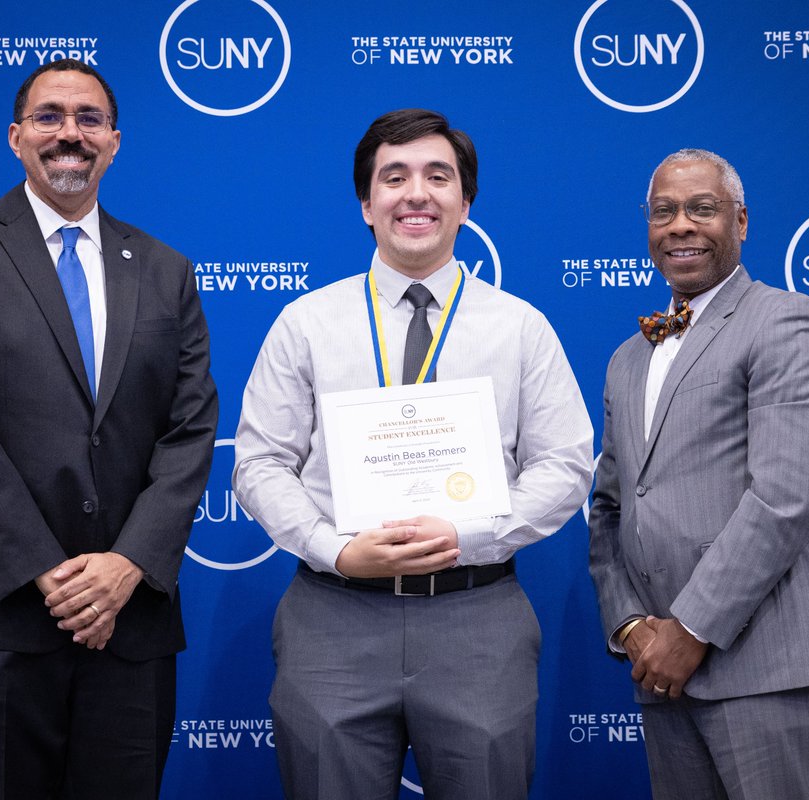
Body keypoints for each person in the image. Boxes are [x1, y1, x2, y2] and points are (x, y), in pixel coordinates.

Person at [233, 108, 593, 800]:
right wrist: (331, 548)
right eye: (393, 178)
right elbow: (259, 463)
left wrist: (469, 534)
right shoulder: (306, 323)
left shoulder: (521, 327)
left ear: (466, 202)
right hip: (332, 617)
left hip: (476, 618)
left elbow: (566, 464)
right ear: (367, 205)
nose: (416, 194)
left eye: (437, 176)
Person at [0, 58, 218, 799]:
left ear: (114, 141)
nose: (69, 133)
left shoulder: (165, 268)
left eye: (88, 119)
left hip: (129, 620)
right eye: (49, 117)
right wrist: (50, 574)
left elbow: (192, 427)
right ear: (15, 137)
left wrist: (126, 567)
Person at [588, 148, 809, 799]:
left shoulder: (786, 319)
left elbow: (785, 498)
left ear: (740, 221)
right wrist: (632, 628)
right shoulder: (628, 357)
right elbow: (612, 508)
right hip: (661, 674)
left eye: (701, 209)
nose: (680, 224)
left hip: (764, 665)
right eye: (663, 212)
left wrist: (691, 629)